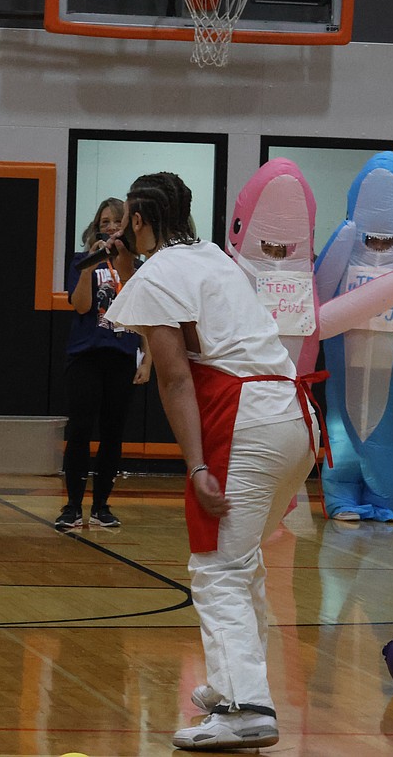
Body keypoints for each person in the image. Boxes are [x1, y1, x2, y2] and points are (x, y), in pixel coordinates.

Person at [105, 172, 321, 751]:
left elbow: (175, 377)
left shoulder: (160, 272)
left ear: (140, 221)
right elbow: (154, 299)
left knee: (217, 566)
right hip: (297, 417)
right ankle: (232, 686)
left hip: (247, 417)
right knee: (239, 555)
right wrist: (129, 264)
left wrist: (196, 465)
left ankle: (247, 706)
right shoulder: (211, 257)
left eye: (127, 219)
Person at [55, 198, 150, 530]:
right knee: (80, 431)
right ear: (97, 226)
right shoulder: (83, 261)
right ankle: (71, 506)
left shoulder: (136, 267)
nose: (111, 227)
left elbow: (146, 319)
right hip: (85, 356)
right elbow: (80, 307)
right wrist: (89, 266)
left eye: (117, 223)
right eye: (105, 222)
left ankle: (101, 506)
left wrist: (147, 360)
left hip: (121, 357)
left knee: (113, 434)